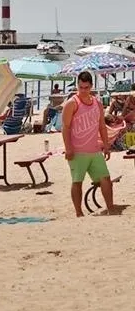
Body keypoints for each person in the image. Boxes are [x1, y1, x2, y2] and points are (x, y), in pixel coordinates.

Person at [61, 71, 114, 217]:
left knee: (106, 178)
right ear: (77, 86)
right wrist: (68, 148)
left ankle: (111, 208)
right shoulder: (72, 103)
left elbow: (101, 125)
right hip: (77, 151)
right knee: (77, 181)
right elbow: (65, 127)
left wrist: (106, 144)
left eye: (86, 87)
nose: (83, 90)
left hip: (94, 149)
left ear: (91, 86)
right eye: (81, 87)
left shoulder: (97, 103)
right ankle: (79, 213)